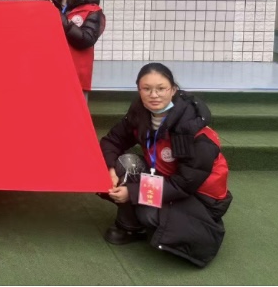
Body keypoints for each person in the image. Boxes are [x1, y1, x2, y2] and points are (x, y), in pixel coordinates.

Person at [99, 63, 232, 268]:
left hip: (200, 198)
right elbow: (112, 141)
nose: (154, 95)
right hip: (165, 178)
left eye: (161, 88)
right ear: (139, 90)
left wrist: (132, 193)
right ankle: (130, 227)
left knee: (148, 212)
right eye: (146, 89)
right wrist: (109, 170)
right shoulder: (140, 115)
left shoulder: (196, 134)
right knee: (123, 164)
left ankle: (164, 222)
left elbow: (183, 185)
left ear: (173, 90)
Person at [40, 0, 105, 96]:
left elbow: (86, 39)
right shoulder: (47, 0)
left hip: (77, 73)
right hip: (50, 69)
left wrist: (59, 18)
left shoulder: (92, 7)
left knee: (76, 110)